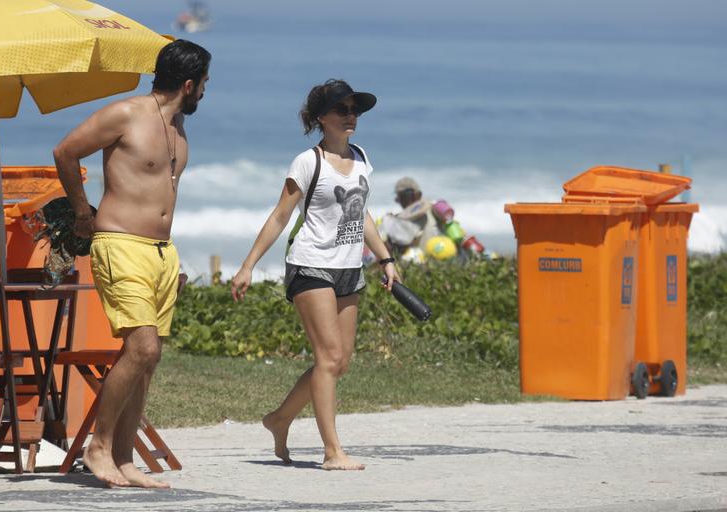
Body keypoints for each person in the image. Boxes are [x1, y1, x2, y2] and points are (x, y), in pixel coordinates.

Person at [53, 39, 210, 488]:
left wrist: (168, 260)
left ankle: (123, 458)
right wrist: (83, 212)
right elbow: (65, 152)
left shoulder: (178, 128)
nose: (204, 92)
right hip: (119, 244)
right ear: (188, 83)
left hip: (161, 253)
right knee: (142, 348)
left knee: (146, 360)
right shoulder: (125, 114)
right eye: (203, 84)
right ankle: (97, 447)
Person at [231, 79, 398, 471]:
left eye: (354, 109)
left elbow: (361, 214)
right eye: (342, 110)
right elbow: (280, 216)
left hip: (349, 268)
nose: (350, 116)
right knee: (328, 358)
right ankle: (332, 452)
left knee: (339, 363)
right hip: (311, 264)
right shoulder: (308, 162)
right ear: (321, 117)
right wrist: (248, 265)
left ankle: (279, 418)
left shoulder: (361, 157)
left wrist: (385, 258)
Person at [378, 177, 441, 257]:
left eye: (403, 197)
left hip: (418, 263)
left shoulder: (401, 220)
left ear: (417, 195)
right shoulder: (433, 209)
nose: (400, 201)